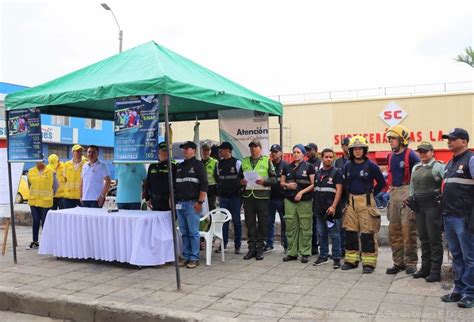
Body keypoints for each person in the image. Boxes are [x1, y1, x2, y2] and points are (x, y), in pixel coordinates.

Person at [439, 128, 474, 309]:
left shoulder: (471, 160)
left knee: (470, 257)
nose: (449, 142)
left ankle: (470, 293)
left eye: (453, 139)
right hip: (449, 216)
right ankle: (458, 289)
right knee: (457, 256)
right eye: (448, 139)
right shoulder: (449, 163)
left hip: (464, 218)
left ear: (464, 141)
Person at [342, 136, 386, 274]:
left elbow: (382, 183)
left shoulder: (371, 165)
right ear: (351, 150)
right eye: (354, 149)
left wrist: (371, 194)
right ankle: (351, 260)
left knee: (367, 233)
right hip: (350, 202)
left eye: (360, 148)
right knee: (350, 232)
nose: (357, 151)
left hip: (366, 202)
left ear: (364, 150)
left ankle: (369, 263)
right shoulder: (347, 165)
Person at [406, 141, 445, 282]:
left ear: (432, 152)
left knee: (434, 239)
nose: (422, 154)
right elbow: (412, 187)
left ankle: (435, 271)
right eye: (420, 151)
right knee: (423, 238)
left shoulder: (438, 166)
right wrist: (411, 204)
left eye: (425, 151)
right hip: (419, 207)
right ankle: (425, 268)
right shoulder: (416, 167)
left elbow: (447, 183)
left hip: (433, 207)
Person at [385, 125, 420, 275]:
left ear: (402, 140)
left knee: (409, 230)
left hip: (407, 192)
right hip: (394, 193)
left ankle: (411, 263)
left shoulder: (411, 155)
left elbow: (419, 175)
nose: (390, 141)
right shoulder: (390, 156)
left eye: (393, 138)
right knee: (394, 230)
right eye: (390, 138)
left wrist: (414, 195)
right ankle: (398, 262)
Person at [240, 139, 277, 260]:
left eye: (255, 147)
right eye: (251, 147)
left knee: (262, 223)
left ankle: (260, 248)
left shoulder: (266, 160)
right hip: (248, 196)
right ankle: (251, 249)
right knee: (249, 223)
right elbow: (238, 178)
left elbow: (274, 179)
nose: (253, 149)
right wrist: (241, 181)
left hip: (262, 196)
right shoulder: (244, 161)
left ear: (260, 148)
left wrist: (264, 181)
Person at [175, 141, 208, 269]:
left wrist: (200, 202)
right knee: (184, 231)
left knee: (193, 232)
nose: (184, 151)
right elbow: (176, 185)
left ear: (193, 151)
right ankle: (186, 256)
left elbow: (204, 185)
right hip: (180, 204)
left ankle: (194, 258)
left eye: (187, 149)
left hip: (193, 204)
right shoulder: (180, 166)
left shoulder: (198, 165)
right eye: (183, 149)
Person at [281, 144, 316, 263]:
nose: (295, 154)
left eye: (298, 152)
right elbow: (281, 182)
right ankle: (292, 252)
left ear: (303, 154)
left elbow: (313, 184)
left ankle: (305, 252)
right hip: (289, 200)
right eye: (294, 152)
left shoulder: (309, 167)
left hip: (304, 201)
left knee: (305, 227)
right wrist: (287, 185)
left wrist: (301, 192)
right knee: (290, 226)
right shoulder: (287, 167)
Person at [313, 148, 344, 268]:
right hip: (319, 210)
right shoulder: (318, 173)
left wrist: (333, 206)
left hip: (331, 211)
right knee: (321, 234)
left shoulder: (336, 173)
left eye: (331, 157)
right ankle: (323, 256)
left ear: (333, 158)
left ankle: (336, 258)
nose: (328, 159)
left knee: (335, 235)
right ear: (322, 158)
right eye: (326, 157)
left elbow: (339, 190)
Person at [216, 141, 242, 254]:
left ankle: (237, 246)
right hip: (223, 198)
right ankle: (224, 244)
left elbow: (242, 179)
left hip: (235, 197)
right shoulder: (219, 164)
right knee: (224, 222)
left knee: (236, 221)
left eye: (222, 149)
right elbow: (217, 178)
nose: (220, 151)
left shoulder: (237, 163)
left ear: (228, 150)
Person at [26, 161, 57, 249]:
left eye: (41, 160)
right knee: (35, 220)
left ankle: (46, 241)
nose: (39, 162)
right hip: (34, 200)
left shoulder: (51, 171)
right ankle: (35, 241)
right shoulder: (31, 171)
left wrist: (51, 194)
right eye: (37, 160)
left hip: (45, 201)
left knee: (45, 221)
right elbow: (29, 185)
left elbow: (55, 185)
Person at [265, 144, 289, 253]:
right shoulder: (268, 164)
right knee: (269, 222)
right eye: (272, 152)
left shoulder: (286, 165)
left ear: (281, 153)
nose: (273, 154)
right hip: (269, 197)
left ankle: (286, 244)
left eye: (275, 151)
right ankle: (269, 244)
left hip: (281, 197)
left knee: (284, 222)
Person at [144, 142, 177, 211]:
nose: (165, 153)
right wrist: (147, 198)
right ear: (158, 152)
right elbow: (147, 183)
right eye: (163, 151)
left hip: (168, 202)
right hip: (155, 202)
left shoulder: (173, 166)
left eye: (167, 151)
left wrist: (173, 198)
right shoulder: (152, 166)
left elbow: (176, 184)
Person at [334, 137, 351, 257]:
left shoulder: (357, 160)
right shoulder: (337, 162)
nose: (348, 148)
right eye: (346, 145)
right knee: (340, 226)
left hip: (354, 196)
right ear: (342, 146)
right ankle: (341, 250)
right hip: (341, 197)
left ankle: (353, 250)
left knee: (353, 226)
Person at [305, 142, 322, 256]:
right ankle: (310, 245)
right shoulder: (305, 164)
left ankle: (317, 246)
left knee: (318, 223)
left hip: (319, 197)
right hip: (307, 197)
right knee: (309, 222)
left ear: (316, 150)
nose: (308, 152)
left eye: (310, 150)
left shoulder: (320, 163)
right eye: (306, 150)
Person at [201, 141, 219, 211]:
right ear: (201, 151)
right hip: (201, 189)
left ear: (210, 151)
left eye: (207, 150)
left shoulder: (215, 162)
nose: (206, 152)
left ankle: (212, 222)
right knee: (203, 209)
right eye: (204, 150)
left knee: (212, 208)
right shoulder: (199, 162)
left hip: (211, 189)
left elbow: (217, 177)